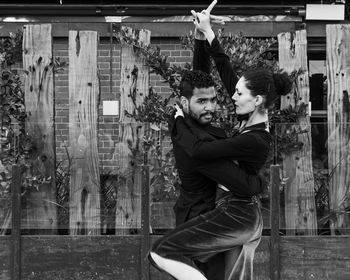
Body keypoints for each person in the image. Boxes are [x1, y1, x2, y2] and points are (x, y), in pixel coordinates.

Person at [148, 8, 293, 280]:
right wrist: (206, 34)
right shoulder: (247, 115)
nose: (230, 97)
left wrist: (177, 121)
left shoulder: (251, 136)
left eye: (238, 93)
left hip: (234, 214)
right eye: (203, 101)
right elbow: (216, 71)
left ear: (257, 100)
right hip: (219, 212)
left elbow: (204, 153)